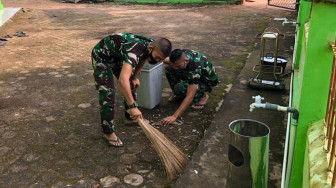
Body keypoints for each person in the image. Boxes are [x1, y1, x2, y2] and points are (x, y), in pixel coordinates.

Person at [91, 32, 172, 147]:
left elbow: (143, 58)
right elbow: (122, 81)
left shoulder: (151, 46)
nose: (158, 60)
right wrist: (133, 107)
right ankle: (108, 132)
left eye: (161, 59)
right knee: (108, 93)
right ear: (150, 48)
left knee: (131, 84)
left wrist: (134, 77)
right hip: (102, 57)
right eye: (158, 57)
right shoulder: (135, 49)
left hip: (117, 56)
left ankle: (130, 118)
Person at [159, 49, 218, 126]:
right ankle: (179, 94)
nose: (176, 67)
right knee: (169, 68)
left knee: (180, 89)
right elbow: (164, 60)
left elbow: (190, 96)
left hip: (206, 81)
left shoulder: (195, 67)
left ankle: (203, 95)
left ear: (186, 60)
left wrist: (174, 116)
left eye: (178, 66)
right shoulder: (181, 56)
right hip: (194, 75)